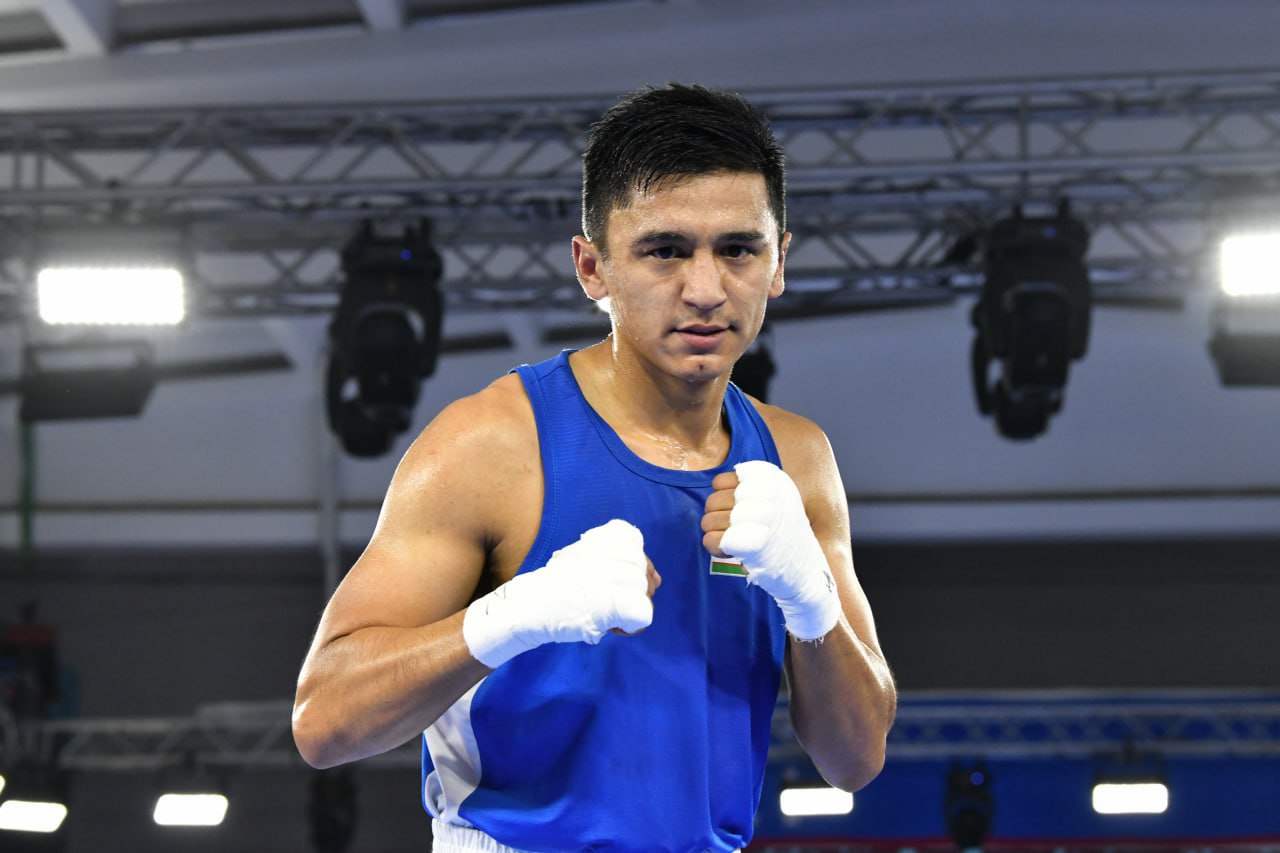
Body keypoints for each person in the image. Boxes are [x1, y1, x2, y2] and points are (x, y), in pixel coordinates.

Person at [292, 83, 897, 853]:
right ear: (591, 267)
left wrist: (812, 603)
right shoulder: (492, 445)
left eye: (738, 249)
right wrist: (513, 614)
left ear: (779, 262)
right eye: (665, 250)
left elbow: (856, 757)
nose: (705, 289)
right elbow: (324, 720)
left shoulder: (796, 459)